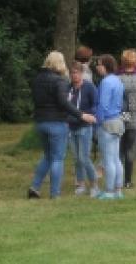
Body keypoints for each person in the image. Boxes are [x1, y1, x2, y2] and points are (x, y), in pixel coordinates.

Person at [28, 51, 95, 199]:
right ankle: (55, 193)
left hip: (40, 122)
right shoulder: (60, 81)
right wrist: (81, 114)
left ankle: (35, 186)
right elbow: (64, 103)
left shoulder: (37, 79)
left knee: (47, 156)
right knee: (58, 158)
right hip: (57, 123)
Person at [94, 54, 125, 200]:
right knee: (116, 158)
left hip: (107, 122)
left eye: (99, 64)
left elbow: (103, 105)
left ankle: (109, 191)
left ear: (106, 66)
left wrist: (97, 121)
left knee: (108, 159)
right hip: (118, 121)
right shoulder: (118, 80)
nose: (97, 67)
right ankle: (118, 190)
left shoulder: (105, 82)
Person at [67, 62, 98, 197]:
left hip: (85, 126)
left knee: (84, 157)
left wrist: (88, 115)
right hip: (70, 127)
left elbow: (96, 105)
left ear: (82, 73)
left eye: (77, 72)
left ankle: (94, 185)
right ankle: (80, 184)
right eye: (72, 73)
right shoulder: (68, 88)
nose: (74, 75)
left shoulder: (89, 87)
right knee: (76, 158)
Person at [119, 49, 136, 188]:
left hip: (121, 114)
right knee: (130, 148)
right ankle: (127, 180)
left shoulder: (118, 78)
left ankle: (117, 177)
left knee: (119, 147)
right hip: (134, 114)